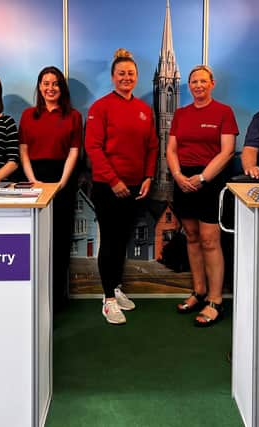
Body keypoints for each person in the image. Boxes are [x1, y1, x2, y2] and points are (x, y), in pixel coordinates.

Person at [85, 48, 158, 325]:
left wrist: (149, 176)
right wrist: (113, 180)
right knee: (110, 241)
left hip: (136, 186)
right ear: (113, 77)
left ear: (136, 77)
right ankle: (108, 299)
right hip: (107, 187)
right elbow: (93, 146)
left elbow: (152, 146)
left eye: (130, 73)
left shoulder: (143, 110)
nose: (126, 77)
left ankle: (116, 286)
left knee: (123, 240)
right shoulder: (100, 107)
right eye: (121, 73)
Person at [166, 65, 239, 327]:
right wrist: (177, 175)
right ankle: (198, 291)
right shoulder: (181, 114)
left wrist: (203, 178)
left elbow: (227, 151)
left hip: (211, 180)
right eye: (194, 81)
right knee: (193, 237)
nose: (198, 85)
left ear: (212, 83)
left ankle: (215, 300)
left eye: (203, 81)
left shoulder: (223, 112)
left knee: (210, 240)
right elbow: (171, 148)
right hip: (183, 180)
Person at [19, 66, 82, 312]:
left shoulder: (74, 116)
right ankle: (35, 296)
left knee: (60, 239)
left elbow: (74, 151)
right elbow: (23, 150)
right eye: (45, 83)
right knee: (35, 238)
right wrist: (33, 180)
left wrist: (62, 182)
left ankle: (57, 300)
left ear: (61, 88)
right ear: (39, 87)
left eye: (55, 83)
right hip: (33, 178)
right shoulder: (27, 115)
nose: (50, 88)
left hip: (63, 178)